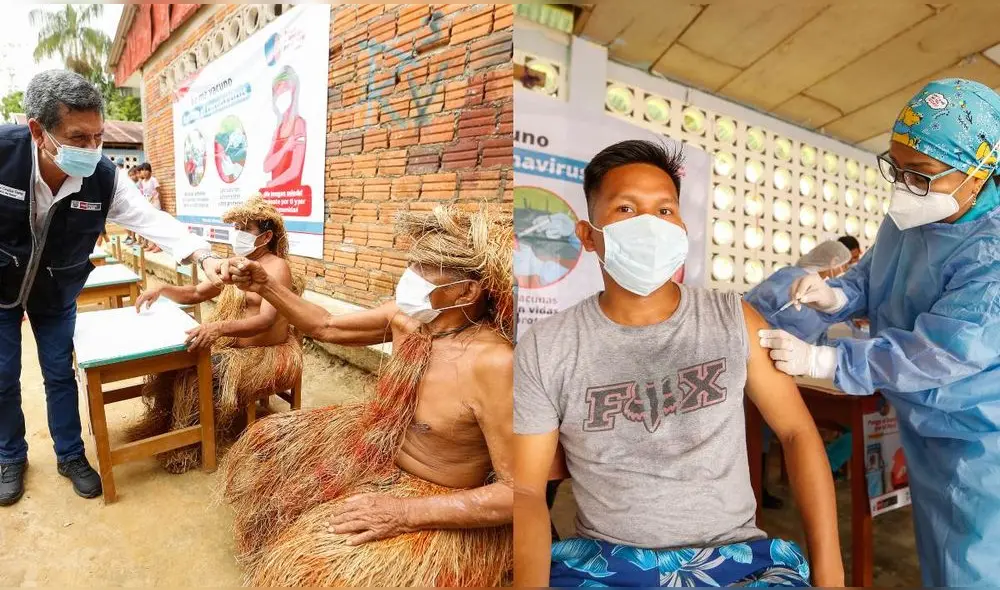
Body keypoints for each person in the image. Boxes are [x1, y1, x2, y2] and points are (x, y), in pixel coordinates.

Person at [513, 140, 843, 588]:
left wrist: (830, 576)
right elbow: (529, 490)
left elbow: (797, 432)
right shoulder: (546, 346)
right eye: (627, 209)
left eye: (665, 211)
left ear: (682, 228)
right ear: (589, 236)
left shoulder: (733, 319)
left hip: (736, 559)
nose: (650, 225)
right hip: (607, 565)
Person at [757, 78, 1000, 586]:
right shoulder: (911, 217)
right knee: (941, 552)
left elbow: (941, 351)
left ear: (977, 177)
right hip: (926, 421)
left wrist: (828, 362)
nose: (904, 185)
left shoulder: (991, 255)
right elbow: (876, 277)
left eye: (921, 173)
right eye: (896, 166)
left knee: (973, 565)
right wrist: (838, 294)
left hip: (979, 435)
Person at [218, 206, 514, 586]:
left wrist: (403, 514)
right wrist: (265, 285)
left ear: (468, 291)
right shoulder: (408, 320)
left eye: (424, 270)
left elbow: (518, 492)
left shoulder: (494, 363)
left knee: (312, 568)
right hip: (378, 443)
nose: (409, 278)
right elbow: (324, 326)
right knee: (267, 444)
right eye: (412, 265)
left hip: (431, 490)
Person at [0, 70, 226, 506]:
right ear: (37, 130)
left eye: (97, 136)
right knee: (3, 377)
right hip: (1, 286)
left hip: (57, 290)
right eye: (77, 137)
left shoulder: (104, 177)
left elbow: (149, 219)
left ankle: (70, 455)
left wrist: (206, 256)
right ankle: (10, 458)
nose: (91, 148)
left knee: (60, 374)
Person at [129, 196, 302, 473]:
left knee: (195, 375)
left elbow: (266, 321)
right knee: (177, 364)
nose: (239, 235)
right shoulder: (235, 263)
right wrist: (161, 289)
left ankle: (189, 447)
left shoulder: (276, 268)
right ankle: (173, 430)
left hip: (264, 354)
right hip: (235, 347)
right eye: (237, 228)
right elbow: (198, 292)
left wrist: (218, 328)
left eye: (247, 229)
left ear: (267, 236)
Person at [263, 66, 306, 189]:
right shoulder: (278, 130)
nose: (279, 95)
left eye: (285, 89)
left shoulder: (299, 124)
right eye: (277, 92)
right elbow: (266, 167)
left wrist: (272, 184)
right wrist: (285, 148)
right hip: (275, 195)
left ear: (293, 92)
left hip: (291, 196)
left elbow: (295, 170)